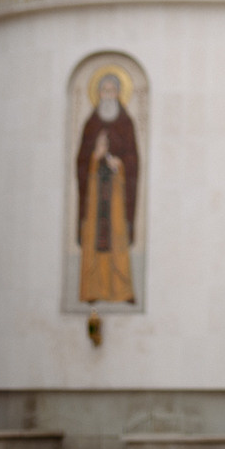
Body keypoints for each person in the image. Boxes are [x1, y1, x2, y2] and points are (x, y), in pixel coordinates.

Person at [76, 71, 139, 303]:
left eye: (113, 91)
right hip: (94, 195)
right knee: (95, 240)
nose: (108, 95)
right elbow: (81, 161)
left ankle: (122, 290)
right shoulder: (91, 125)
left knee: (117, 239)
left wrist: (120, 165)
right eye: (105, 91)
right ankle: (92, 290)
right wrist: (96, 157)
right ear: (98, 93)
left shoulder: (126, 123)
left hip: (116, 196)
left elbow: (133, 159)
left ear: (119, 94)